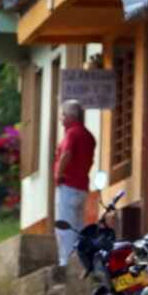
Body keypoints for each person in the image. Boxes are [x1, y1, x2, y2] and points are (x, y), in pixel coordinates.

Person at [53, 99, 96, 264]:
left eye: (63, 115)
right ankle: (77, 259)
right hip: (82, 186)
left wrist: (59, 174)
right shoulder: (88, 135)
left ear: (71, 117)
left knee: (64, 226)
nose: (61, 119)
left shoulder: (72, 133)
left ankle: (65, 261)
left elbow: (67, 154)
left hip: (68, 185)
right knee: (78, 226)